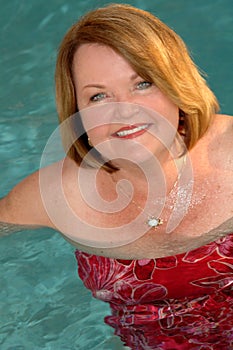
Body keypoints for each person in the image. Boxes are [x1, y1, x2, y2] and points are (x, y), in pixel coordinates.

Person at [1, 3, 233, 349]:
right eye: (98, 96)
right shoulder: (60, 195)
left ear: (175, 85)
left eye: (143, 83)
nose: (125, 110)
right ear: (77, 114)